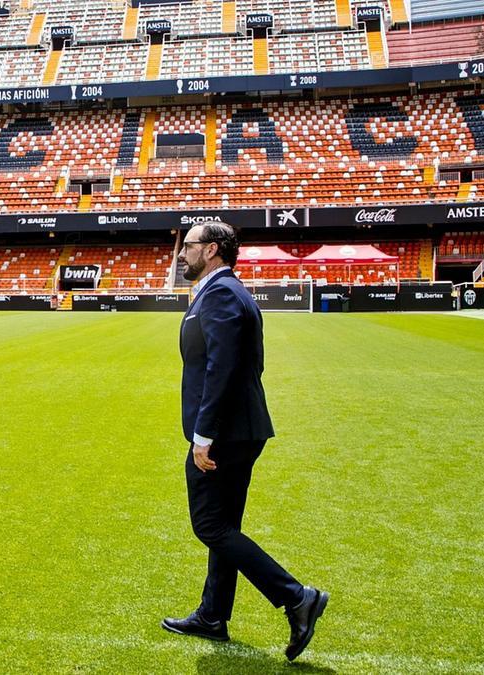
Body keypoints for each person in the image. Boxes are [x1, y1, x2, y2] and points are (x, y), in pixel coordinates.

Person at [161, 222, 328, 662]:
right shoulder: (225, 292)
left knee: (209, 526)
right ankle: (213, 615)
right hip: (238, 429)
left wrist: (204, 434)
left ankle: (297, 597)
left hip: (224, 434)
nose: (181, 254)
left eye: (189, 246)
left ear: (212, 250)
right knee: (224, 528)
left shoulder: (221, 295)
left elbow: (223, 368)